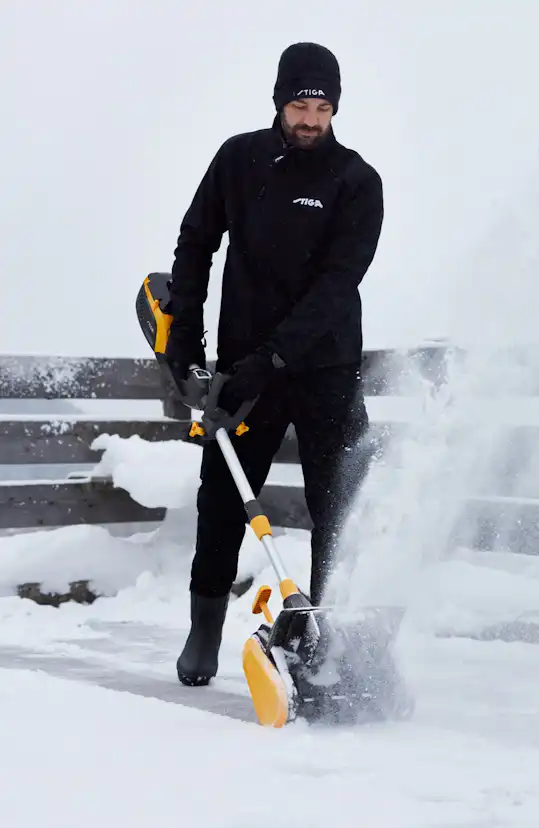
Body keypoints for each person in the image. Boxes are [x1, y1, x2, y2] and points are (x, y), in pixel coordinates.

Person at [163, 42, 384, 687]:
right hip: (243, 370)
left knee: (339, 506)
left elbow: (337, 285)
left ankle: (328, 638)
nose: (310, 120)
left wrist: (274, 357)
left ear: (335, 109)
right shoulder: (239, 160)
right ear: (279, 101)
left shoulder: (357, 182)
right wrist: (184, 342)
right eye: (300, 106)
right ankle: (204, 630)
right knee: (221, 500)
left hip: (325, 369)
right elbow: (195, 244)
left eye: (323, 108)